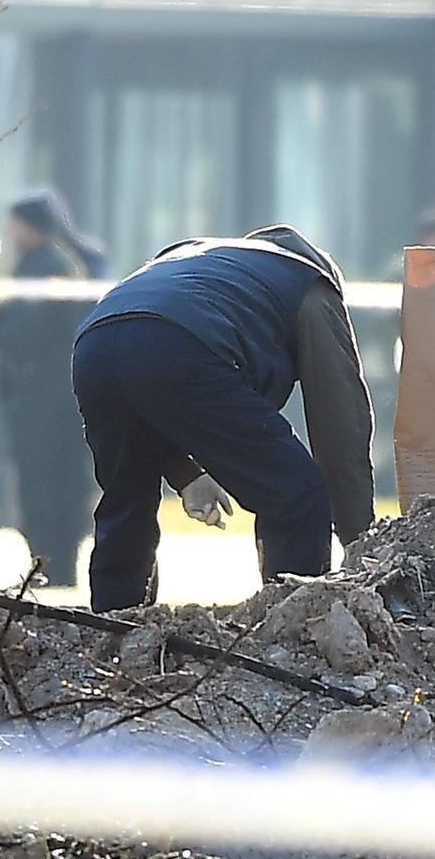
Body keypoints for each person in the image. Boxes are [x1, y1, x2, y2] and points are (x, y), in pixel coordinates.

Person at [71, 225, 375, 612]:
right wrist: (359, 539)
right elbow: (341, 423)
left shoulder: (206, 260)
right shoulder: (311, 286)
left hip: (93, 344)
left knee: (126, 501)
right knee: (295, 493)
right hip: (178, 342)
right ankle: (294, 627)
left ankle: (116, 624)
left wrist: (185, 474)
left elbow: (143, 356)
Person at [0, 188, 105, 584]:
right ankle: (61, 563)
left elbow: (26, 333)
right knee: (66, 480)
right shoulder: (69, 263)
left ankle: (49, 564)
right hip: (68, 392)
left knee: (42, 482)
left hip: (41, 394)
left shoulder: (42, 267)